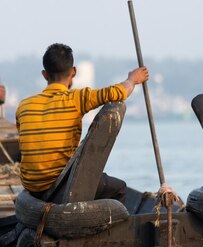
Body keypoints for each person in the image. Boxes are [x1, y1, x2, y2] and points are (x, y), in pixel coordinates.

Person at [16, 43, 149, 201]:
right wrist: (132, 79)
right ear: (73, 72)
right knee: (119, 188)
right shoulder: (76, 99)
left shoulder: (24, 106)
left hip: (32, 187)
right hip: (59, 186)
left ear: (44, 74)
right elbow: (118, 92)